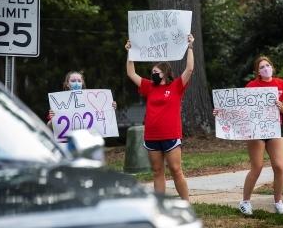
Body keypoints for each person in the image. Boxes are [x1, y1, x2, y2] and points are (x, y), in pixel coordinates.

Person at [213, 56, 283, 215]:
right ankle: (245, 202)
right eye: (262, 67)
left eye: (267, 65)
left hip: (274, 128)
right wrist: (220, 112)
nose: (265, 69)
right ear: (258, 72)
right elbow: (239, 108)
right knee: (257, 167)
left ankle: (278, 202)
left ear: (272, 67)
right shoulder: (251, 86)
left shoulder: (281, 83)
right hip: (255, 131)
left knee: (279, 166)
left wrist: (280, 105)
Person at [125, 34, 195, 201]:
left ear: (164, 73)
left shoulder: (176, 86)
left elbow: (190, 69)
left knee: (176, 169)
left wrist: (190, 47)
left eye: (156, 72)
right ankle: (160, 205)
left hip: (171, 135)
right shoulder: (149, 86)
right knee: (158, 171)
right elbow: (131, 73)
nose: (153, 74)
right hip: (152, 136)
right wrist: (130, 53)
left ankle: (186, 203)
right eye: (152, 72)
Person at [47, 71, 117, 131]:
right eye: (73, 81)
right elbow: (49, 126)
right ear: (67, 84)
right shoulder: (59, 102)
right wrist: (53, 118)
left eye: (79, 81)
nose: (77, 83)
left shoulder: (90, 100)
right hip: (67, 141)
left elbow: (101, 118)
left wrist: (110, 107)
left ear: (82, 83)